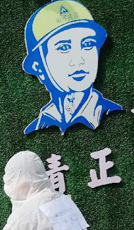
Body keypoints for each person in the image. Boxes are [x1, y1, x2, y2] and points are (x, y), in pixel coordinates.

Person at [22, 0, 122, 135]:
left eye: (87, 44)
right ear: (38, 67)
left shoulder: (113, 114)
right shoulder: (36, 128)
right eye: (64, 47)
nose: (79, 60)